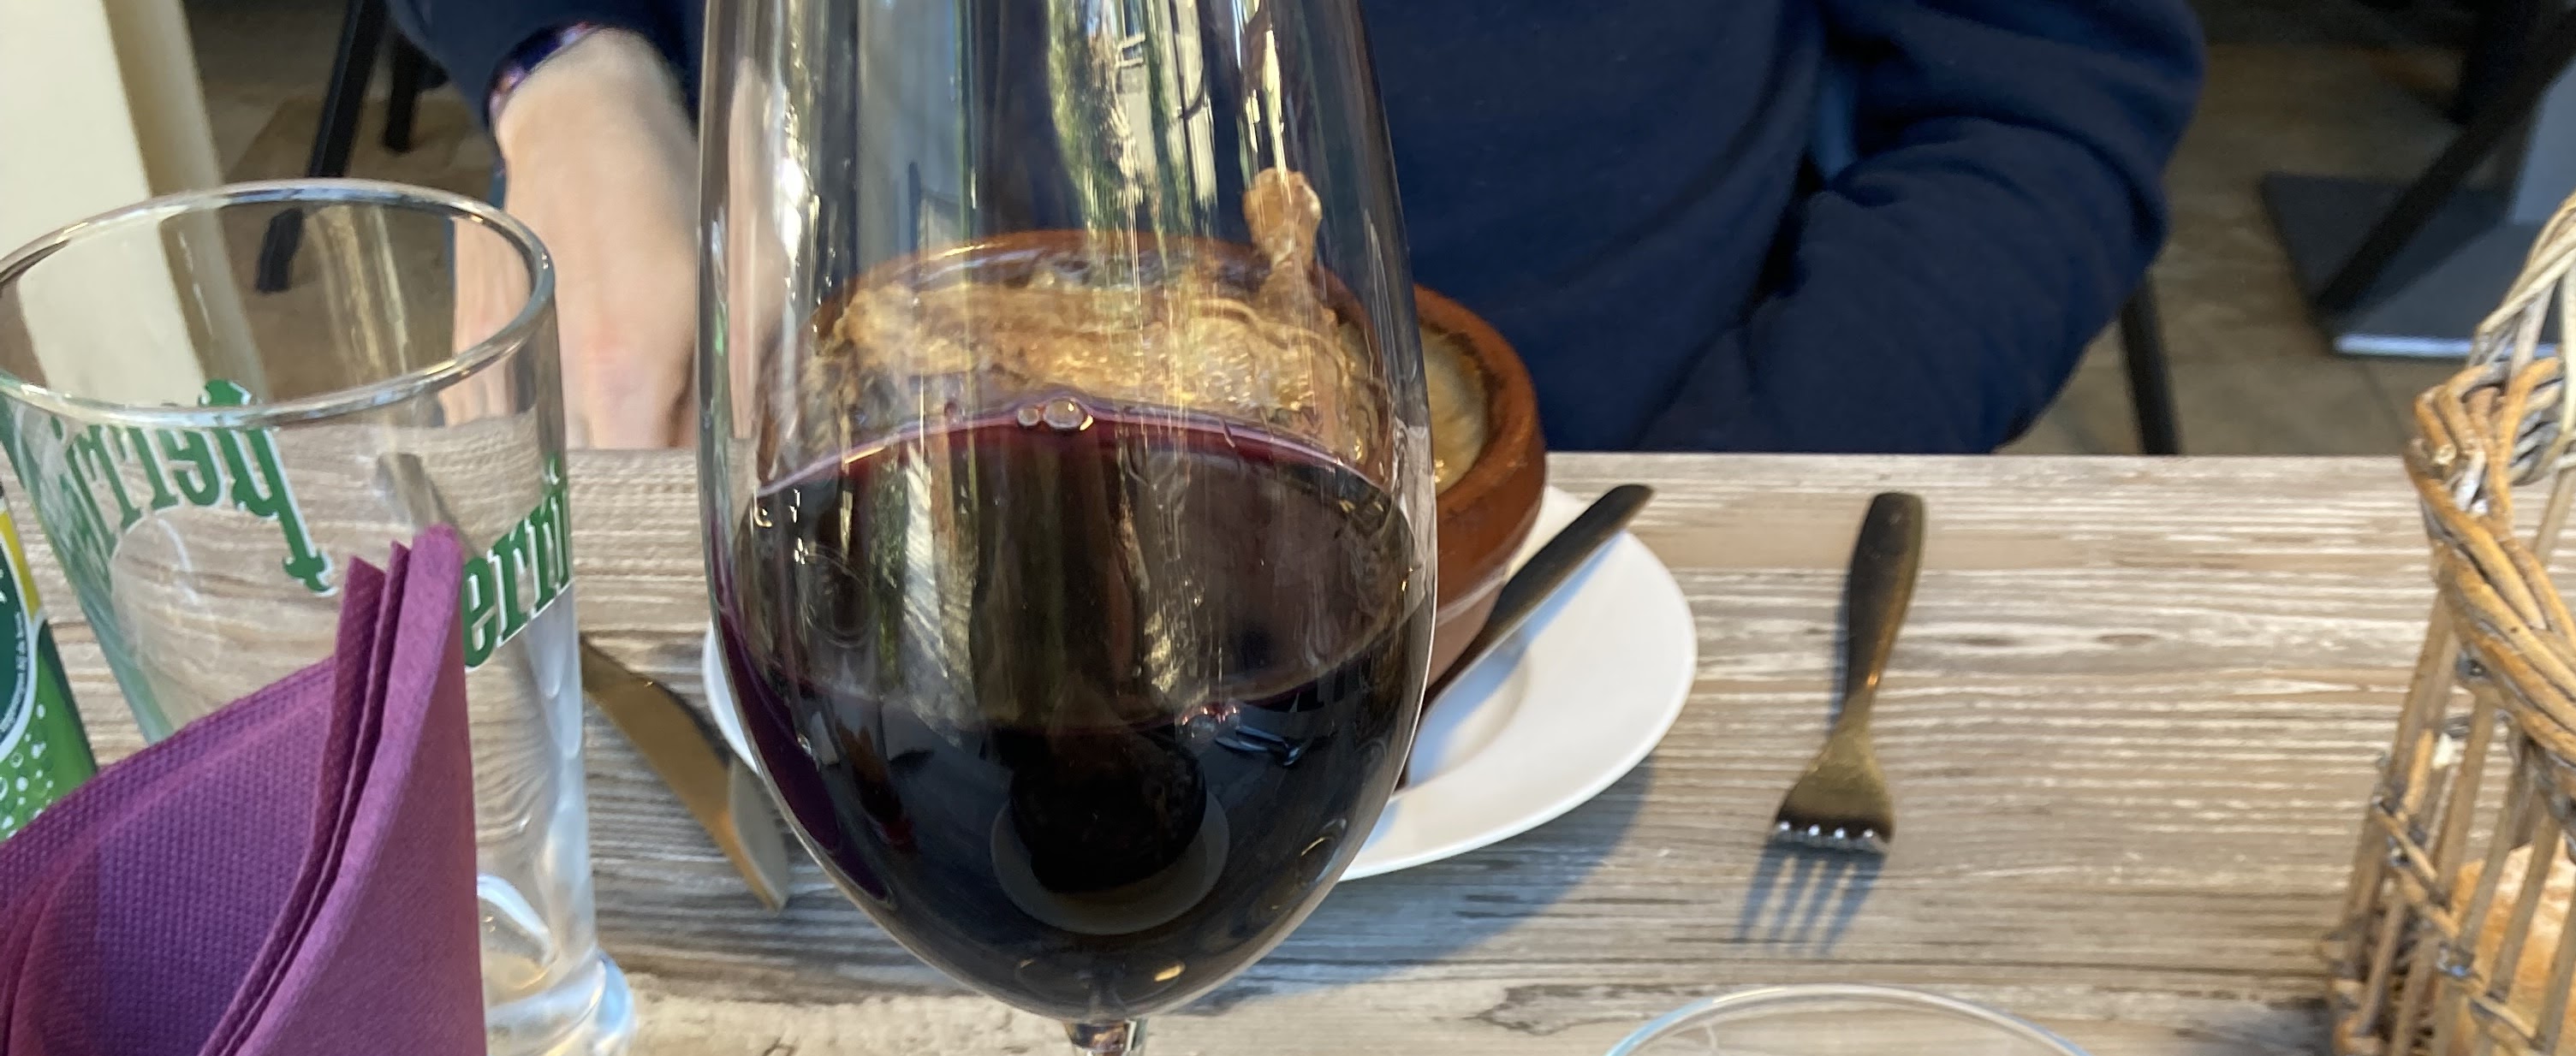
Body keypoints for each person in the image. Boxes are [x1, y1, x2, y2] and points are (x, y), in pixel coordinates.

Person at [396, 0, 2202, 455]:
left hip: (1581, 560)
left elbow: (2042, 98)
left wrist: (1713, 513)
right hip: (853, 510)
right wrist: (566, 64)